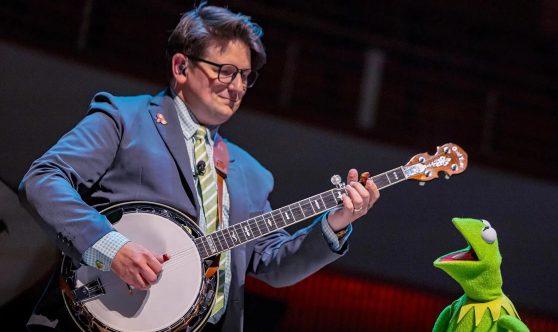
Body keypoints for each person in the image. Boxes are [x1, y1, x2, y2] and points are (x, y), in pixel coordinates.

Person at [18, 3, 380, 332]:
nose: (236, 87)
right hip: (91, 320)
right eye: (225, 71)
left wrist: (334, 224)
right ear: (181, 67)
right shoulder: (123, 119)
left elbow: (273, 265)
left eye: (245, 76)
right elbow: (43, 179)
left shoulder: (251, 174)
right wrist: (112, 247)